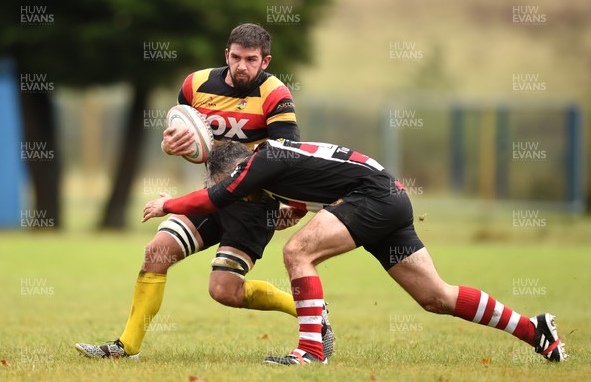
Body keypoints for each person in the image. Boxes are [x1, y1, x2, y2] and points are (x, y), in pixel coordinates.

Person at [141, 139, 568, 365]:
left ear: (237, 167)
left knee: (297, 253)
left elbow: (216, 198)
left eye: (236, 184)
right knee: (437, 297)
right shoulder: (274, 165)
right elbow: (316, 185)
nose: (242, 196)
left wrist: (167, 204)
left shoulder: (260, 160)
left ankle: (310, 350)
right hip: (388, 196)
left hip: (374, 196)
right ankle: (536, 331)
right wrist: (291, 210)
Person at [75, 23, 334, 360]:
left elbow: (287, 157)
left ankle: (314, 314)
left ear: (265, 62)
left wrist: (293, 207)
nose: (242, 66)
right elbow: (184, 138)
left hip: (254, 205)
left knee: (223, 291)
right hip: (212, 194)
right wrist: (171, 145)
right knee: (157, 252)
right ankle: (126, 347)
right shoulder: (196, 85)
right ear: (226, 54)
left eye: (251, 60)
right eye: (236, 57)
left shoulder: (275, 95)